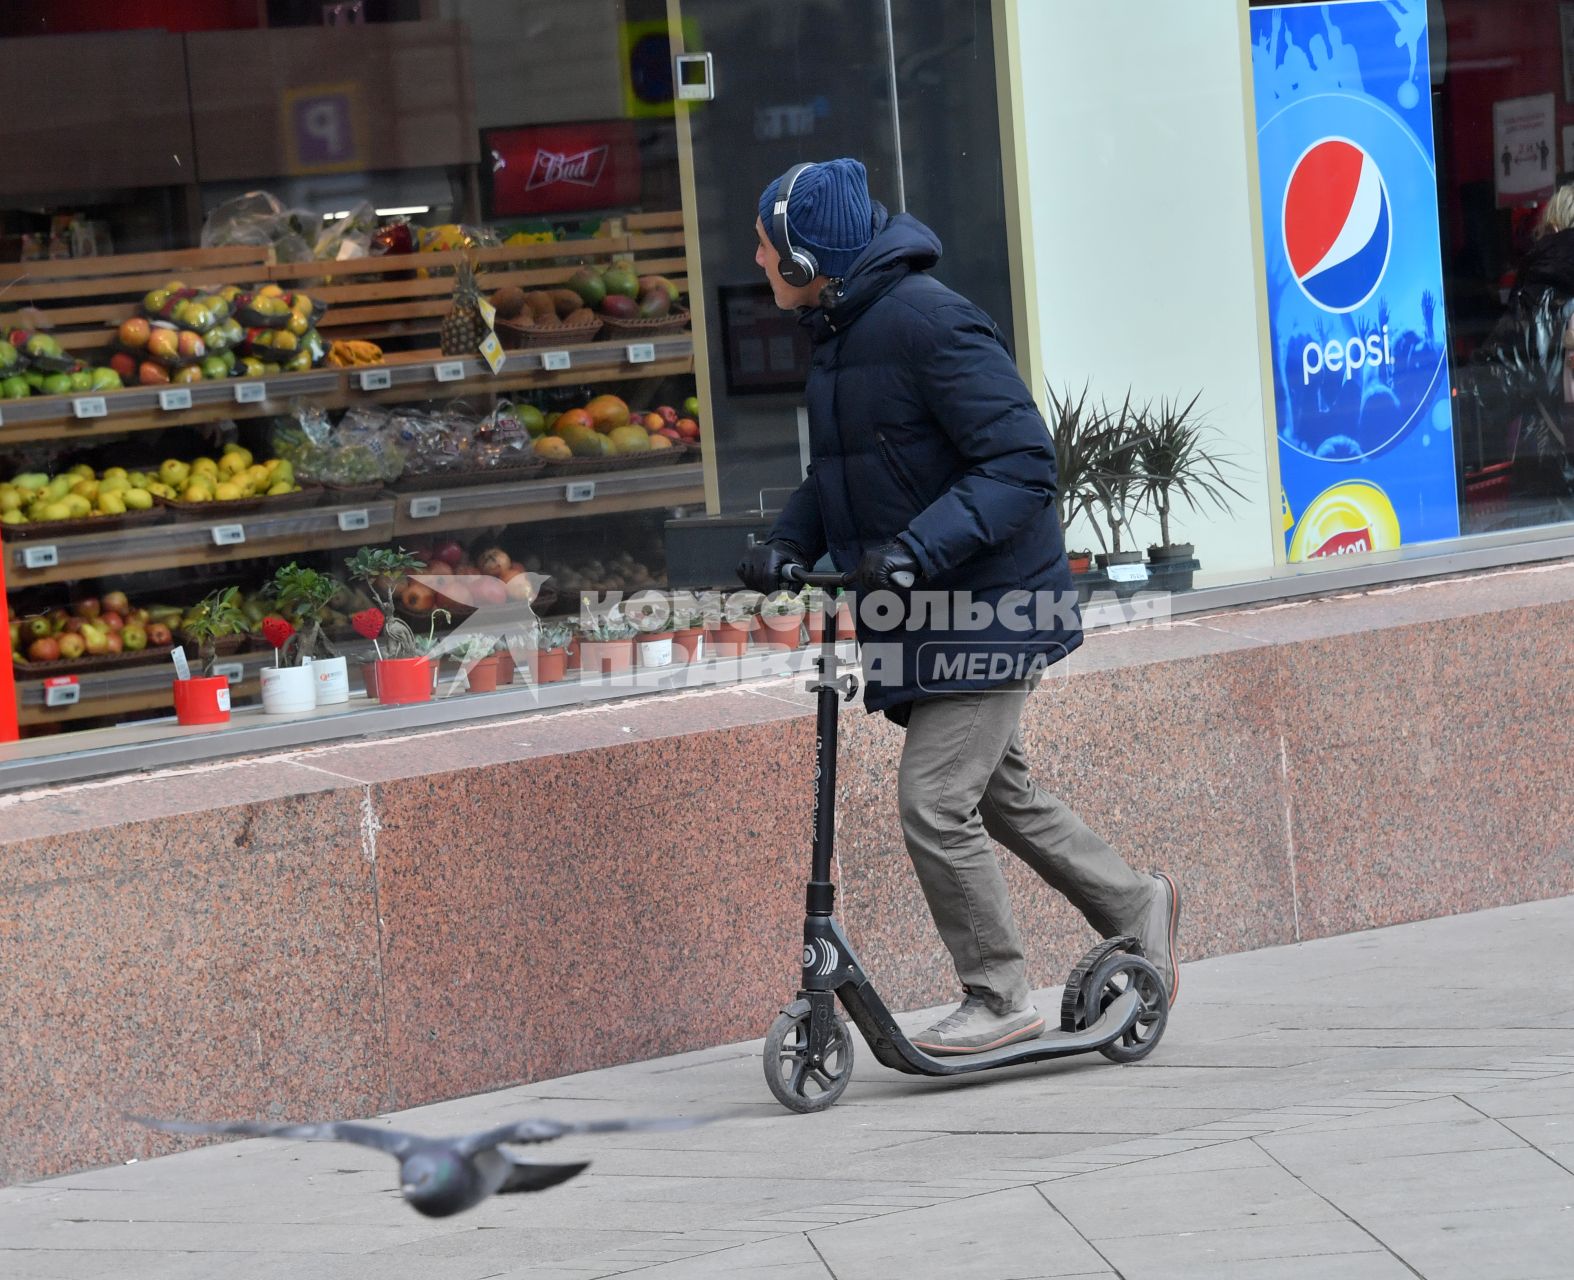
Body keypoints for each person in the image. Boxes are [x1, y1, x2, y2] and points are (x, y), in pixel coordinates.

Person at [737, 157, 1181, 1055]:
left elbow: (1023, 463)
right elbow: (845, 476)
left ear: (803, 255)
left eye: (764, 246)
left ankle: (997, 993)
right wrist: (788, 542)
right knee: (1003, 795)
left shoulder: (928, 322)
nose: (755, 262)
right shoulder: (843, 332)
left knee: (936, 802)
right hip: (922, 608)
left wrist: (917, 551)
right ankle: (1135, 900)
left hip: (989, 604)